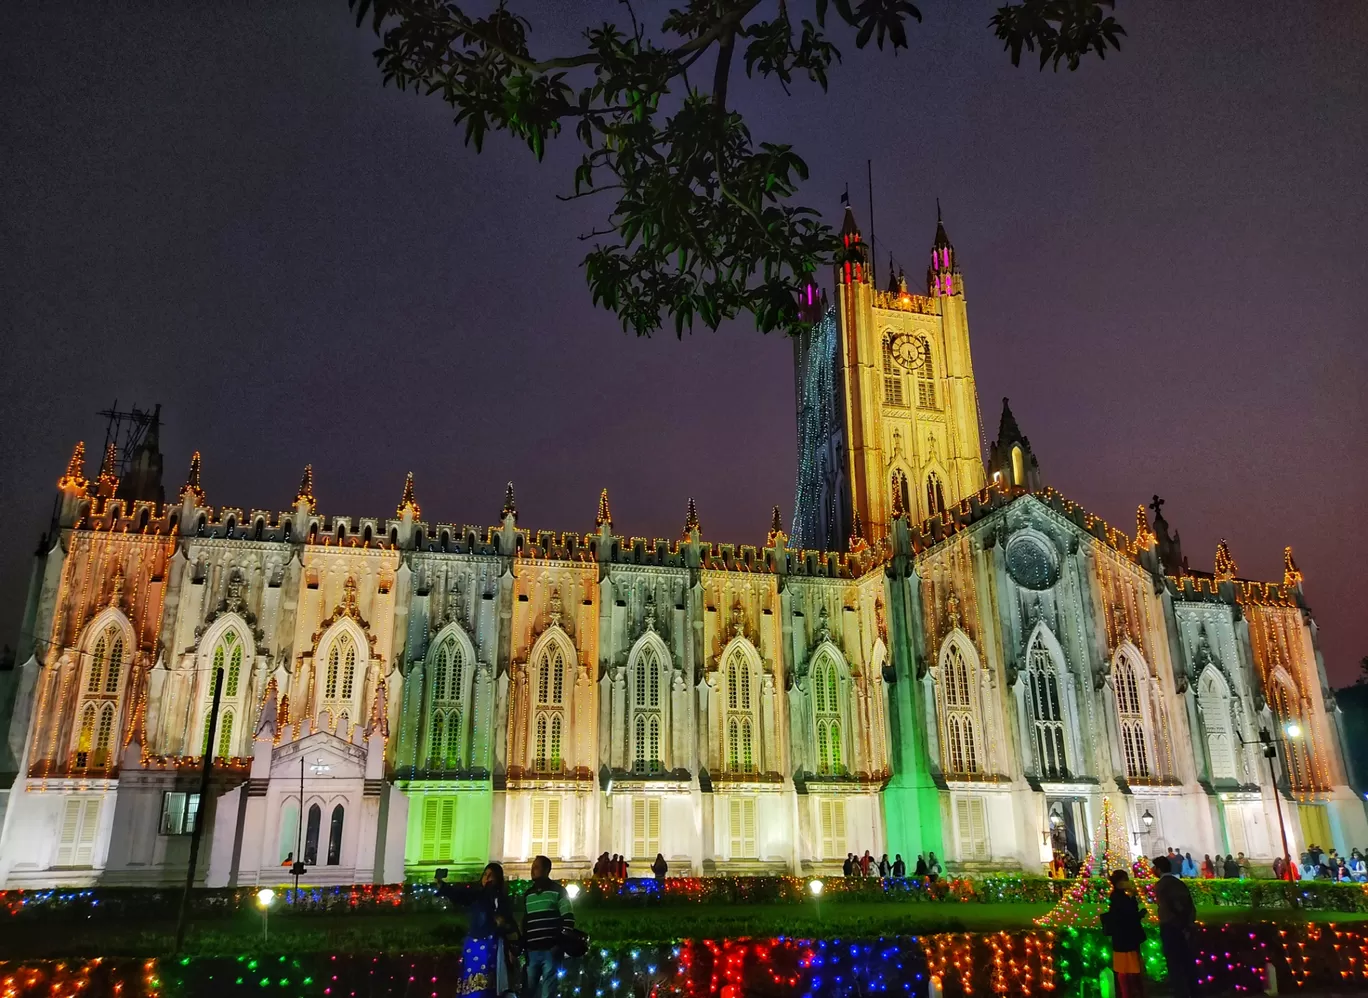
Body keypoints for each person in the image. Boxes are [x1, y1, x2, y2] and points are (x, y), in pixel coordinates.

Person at [437, 863, 520, 998]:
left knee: (489, 984)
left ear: (498, 879)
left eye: (490, 876)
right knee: (471, 983)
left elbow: (509, 922)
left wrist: (504, 926)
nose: (486, 878)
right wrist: (444, 887)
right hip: (474, 943)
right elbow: (461, 896)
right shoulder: (477, 895)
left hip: (491, 945)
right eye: (485, 875)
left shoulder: (501, 899)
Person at [524, 855, 575, 998]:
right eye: (532, 867)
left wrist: (558, 945)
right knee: (528, 991)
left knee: (548, 993)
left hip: (550, 951)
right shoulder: (528, 894)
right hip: (533, 951)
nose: (532, 870)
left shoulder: (558, 891)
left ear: (546, 870)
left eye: (536, 867)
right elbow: (526, 922)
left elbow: (568, 919)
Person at [1154, 855, 1197, 998]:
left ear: (1159, 869)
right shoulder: (1179, 883)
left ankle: (1181, 992)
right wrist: (1188, 924)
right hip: (1184, 927)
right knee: (1187, 962)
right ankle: (1193, 990)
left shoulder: (1162, 885)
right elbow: (1190, 906)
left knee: (1174, 964)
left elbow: (1171, 907)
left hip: (1171, 927)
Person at [1101, 869, 1146, 998]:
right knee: (1128, 970)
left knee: (1124, 969)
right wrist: (1137, 908)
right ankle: (1129, 993)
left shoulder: (1117, 896)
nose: (1127, 882)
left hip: (1121, 938)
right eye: (1125, 880)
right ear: (1120, 882)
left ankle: (1128, 993)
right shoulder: (1119, 897)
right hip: (1126, 938)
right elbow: (1129, 915)